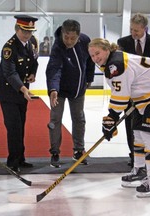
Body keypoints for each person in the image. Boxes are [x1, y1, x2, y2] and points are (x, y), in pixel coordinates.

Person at [88, 38, 150, 198]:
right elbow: (124, 90)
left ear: (107, 49)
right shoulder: (113, 60)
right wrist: (112, 119)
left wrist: (111, 118)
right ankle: (140, 170)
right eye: (92, 55)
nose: (95, 58)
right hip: (143, 98)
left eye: (97, 53)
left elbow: (120, 95)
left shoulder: (116, 64)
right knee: (137, 134)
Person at [117, 13, 150, 167]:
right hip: (131, 92)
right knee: (131, 125)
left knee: (149, 126)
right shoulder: (123, 42)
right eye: (132, 29)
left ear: (145, 29)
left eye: (137, 31)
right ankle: (134, 156)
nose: (134, 33)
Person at [0, 15, 39, 173]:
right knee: (14, 127)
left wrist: (32, 73)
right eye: (24, 31)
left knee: (21, 126)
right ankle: (12, 162)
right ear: (17, 29)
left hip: (20, 91)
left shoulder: (31, 43)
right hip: (8, 92)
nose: (27, 35)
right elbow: (9, 73)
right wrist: (24, 89)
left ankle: (20, 158)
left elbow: (34, 61)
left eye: (30, 31)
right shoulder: (9, 47)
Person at [45, 19, 95, 168]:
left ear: (79, 36)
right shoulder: (58, 47)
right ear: (62, 33)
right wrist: (53, 89)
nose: (68, 41)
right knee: (55, 120)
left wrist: (89, 78)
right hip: (59, 90)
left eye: (72, 38)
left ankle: (79, 151)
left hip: (78, 89)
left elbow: (91, 61)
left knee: (79, 119)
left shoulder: (86, 41)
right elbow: (54, 69)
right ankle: (55, 152)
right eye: (66, 37)